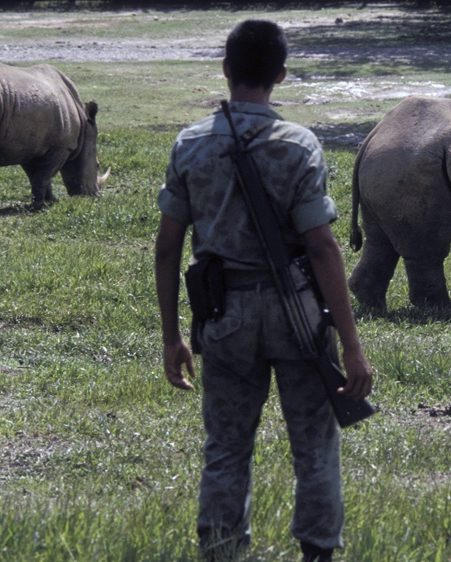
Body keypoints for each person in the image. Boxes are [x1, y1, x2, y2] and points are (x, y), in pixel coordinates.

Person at [154, 19, 374, 562]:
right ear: (280, 74)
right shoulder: (299, 146)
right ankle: (318, 552)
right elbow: (322, 249)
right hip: (297, 316)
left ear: (226, 70)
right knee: (314, 445)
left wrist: (171, 335)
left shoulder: (191, 144)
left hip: (222, 314)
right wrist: (350, 343)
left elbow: (166, 248)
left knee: (226, 447)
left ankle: (223, 551)